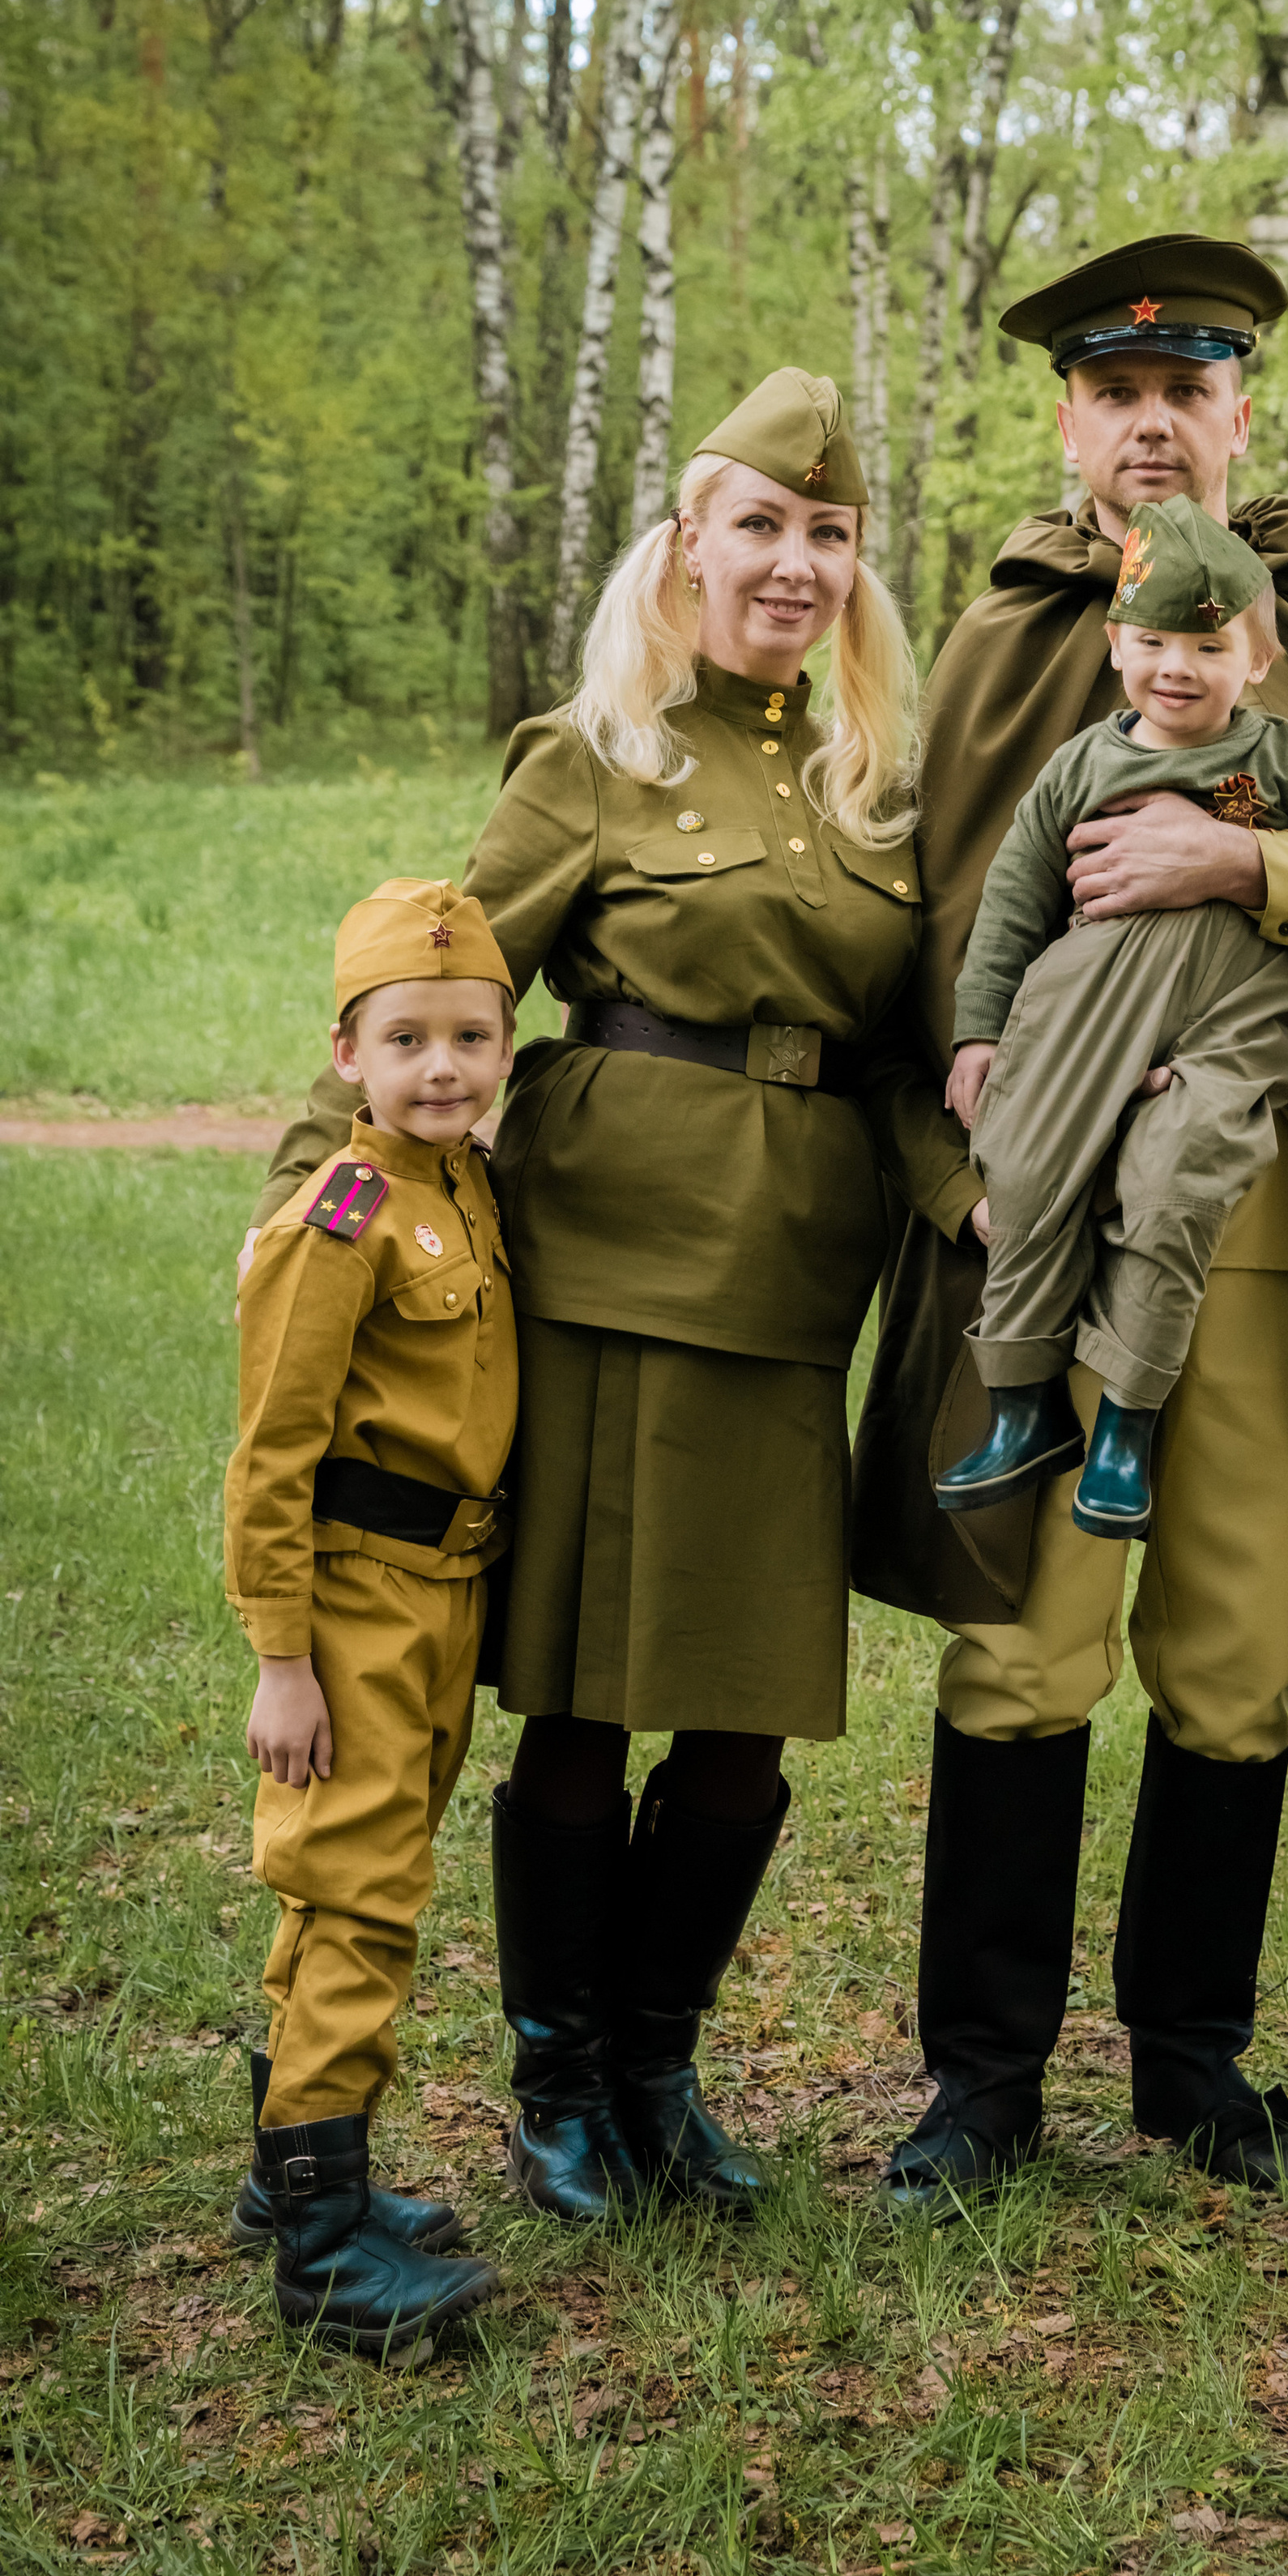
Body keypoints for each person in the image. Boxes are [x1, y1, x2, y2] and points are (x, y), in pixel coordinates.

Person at [247, 371, 978, 2225]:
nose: (796, 563)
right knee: (579, 1706)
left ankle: (659, 2066)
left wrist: (979, 1204)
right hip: (596, 1274)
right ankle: (558, 2083)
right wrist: (311, 1194)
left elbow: (901, 1062)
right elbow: (438, 991)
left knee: (742, 1723)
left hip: (794, 1286)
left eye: (828, 535)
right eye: (762, 526)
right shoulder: (592, 758)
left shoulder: (872, 786)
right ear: (685, 548)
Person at [851, 232, 1288, 2211]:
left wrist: (1246, 864)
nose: (1148, 426)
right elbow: (916, 933)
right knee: (1026, 1650)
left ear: (1233, 416)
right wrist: (967, 1179)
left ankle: (1193, 2062)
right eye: (1113, 396)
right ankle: (982, 2082)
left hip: (1264, 1230)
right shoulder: (1000, 632)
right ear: (1069, 421)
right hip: (1033, 1232)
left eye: (1182, 394)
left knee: (1226, 1645)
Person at [938, 493, 1288, 1540]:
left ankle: (1125, 1422)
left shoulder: (1282, 760)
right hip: (1095, 1017)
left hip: (1235, 1025)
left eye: (1208, 646)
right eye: (1154, 641)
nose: (1177, 667)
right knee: (1020, 1165)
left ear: (1259, 655)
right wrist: (980, 1034)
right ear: (1118, 647)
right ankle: (1021, 1405)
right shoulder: (1078, 768)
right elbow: (1011, 905)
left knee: (1173, 1186)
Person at [226, 878, 516, 2352]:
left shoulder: (461, 1182)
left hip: (444, 1595)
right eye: (408, 1038)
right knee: (358, 1901)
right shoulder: (338, 1218)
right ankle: (327, 2259)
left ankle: (292, 2179)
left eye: (473, 1034)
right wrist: (285, 1660)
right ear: (350, 1054)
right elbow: (270, 1453)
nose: (443, 1065)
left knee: (356, 1876)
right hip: (353, 1604)